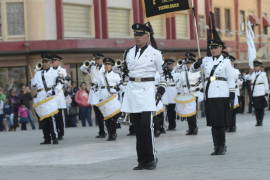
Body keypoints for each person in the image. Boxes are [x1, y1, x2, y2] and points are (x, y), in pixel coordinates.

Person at [121, 23, 165, 170]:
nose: (137, 38)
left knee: (147, 127)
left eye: (140, 35)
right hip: (132, 91)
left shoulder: (155, 53)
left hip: (147, 90)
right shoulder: (128, 52)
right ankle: (141, 160)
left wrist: (161, 89)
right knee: (138, 128)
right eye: (135, 35)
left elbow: (163, 74)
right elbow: (125, 72)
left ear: (147, 36)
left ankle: (151, 158)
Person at [193, 39, 235, 155]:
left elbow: (231, 78)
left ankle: (222, 146)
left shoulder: (226, 62)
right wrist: (197, 63)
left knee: (220, 122)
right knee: (213, 122)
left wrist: (232, 94)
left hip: (222, 93)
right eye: (211, 48)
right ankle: (216, 146)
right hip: (210, 93)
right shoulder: (205, 60)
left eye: (215, 47)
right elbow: (193, 69)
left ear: (221, 48)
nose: (213, 50)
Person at [31, 54, 59, 145]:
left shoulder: (55, 72)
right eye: (43, 62)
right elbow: (33, 85)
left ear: (50, 62)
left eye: (46, 61)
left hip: (49, 96)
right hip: (40, 96)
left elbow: (60, 83)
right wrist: (33, 86)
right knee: (43, 120)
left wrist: (54, 91)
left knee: (51, 118)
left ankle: (54, 138)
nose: (44, 63)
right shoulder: (38, 73)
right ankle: (46, 138)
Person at [175, 52, 203, 135]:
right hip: (186, 95)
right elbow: (179, 83)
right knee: (188, 112)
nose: (188, 65)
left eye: (190, 63)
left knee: (193, 113)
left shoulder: (197, 72)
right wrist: (180, 92)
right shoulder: (183, 73)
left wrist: (197, 89)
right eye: (187, 63)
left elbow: (200, 82)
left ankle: (194, 128)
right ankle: (191, 128)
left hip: (195, 94)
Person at [80, 53, 107, 138]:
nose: (97, 60)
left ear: (102, 59)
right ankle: (101, 131)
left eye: (98, 59)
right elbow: (82, 68)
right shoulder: (91, 67)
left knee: (105, 113)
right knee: (98, 114)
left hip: (103, 91)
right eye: (95, 59)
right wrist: (90, 63)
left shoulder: (105, 67)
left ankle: (108, 130)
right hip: (95, 92)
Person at [51, 54, 68, 140]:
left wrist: (55, 90)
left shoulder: (62, 70)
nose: (53, 62)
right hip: (51, 95)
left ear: (59, 62)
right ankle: (54, 132)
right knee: (53, 115)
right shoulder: (49, 70)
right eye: (53, 61)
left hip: (58, 95)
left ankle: (61, 133)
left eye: (55, 61)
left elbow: (63, 82)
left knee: (60, 116)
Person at [248, 60, 269, 126]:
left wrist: (267, 92)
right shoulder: (252, 74)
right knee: (256, 108)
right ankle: (258, 121)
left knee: (261, 108)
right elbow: (246, 78)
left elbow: (266, 83)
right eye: (255, 66)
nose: (256, 67)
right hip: (255, 94)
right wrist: (249, 73)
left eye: (257, 66)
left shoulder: (263, 74)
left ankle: (261, 120)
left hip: (261, 93)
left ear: (260, 67)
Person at [162, 59, 177, 131]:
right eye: (169, 65)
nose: (170, 66)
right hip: (166, 92)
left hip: (173, 92)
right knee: (165, 111)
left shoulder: (176, 73)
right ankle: (164, 125)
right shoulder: (164, 73)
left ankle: (172, 125)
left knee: (172, 111)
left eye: (171, 65)